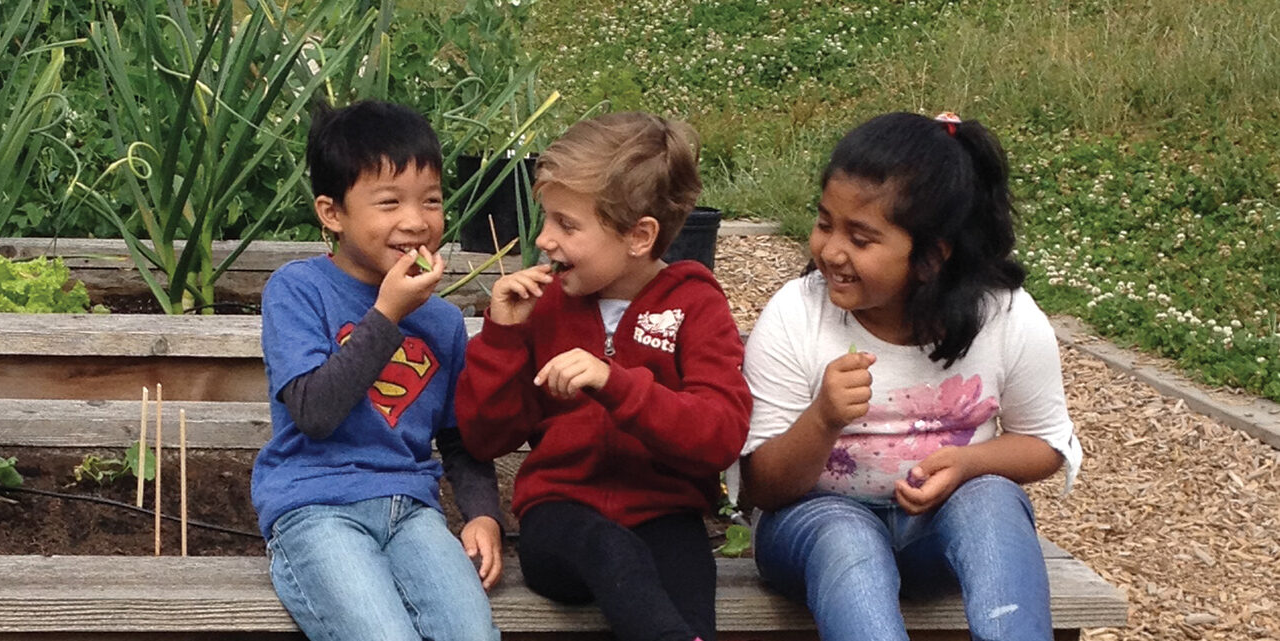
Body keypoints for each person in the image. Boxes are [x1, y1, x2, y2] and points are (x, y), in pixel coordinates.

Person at [739, 111, 1084, 641]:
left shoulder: (1006, 316)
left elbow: (1045, 443)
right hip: (810, 528)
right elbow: (763, 486)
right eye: (825, 223)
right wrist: (823, 419)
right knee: (847, 538)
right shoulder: (796, 313)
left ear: (930, 258)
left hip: (935, 536)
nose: (831, 250)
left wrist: (969, 463)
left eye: (861, 238)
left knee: (992, 500)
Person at [457, 112, 752, 641]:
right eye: (546, 219)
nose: (545, 239)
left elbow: (720, 433)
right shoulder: (544, 307)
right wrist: (501, 337)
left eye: (567, 225)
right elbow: (484, 437)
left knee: (687, 586)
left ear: (639, 236)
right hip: (560, 517)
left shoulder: (695, 305)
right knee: (614, 550)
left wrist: (616, 384)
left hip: (665, 513)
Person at [252, 100, 502, 641]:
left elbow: (459, 439)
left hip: (412, 513)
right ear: (332, 213)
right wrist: (387, 314)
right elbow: (314, 413)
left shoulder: (440, 320)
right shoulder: (298, 290)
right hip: (316, 507)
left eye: (431, 200)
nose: (416, 221)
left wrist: (483, 515)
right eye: (389, 202)